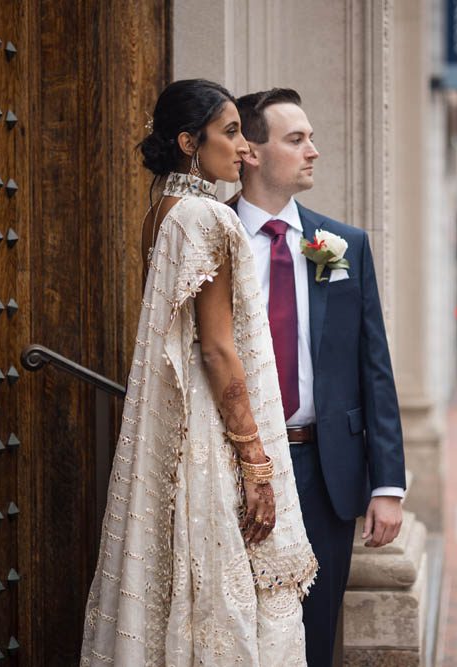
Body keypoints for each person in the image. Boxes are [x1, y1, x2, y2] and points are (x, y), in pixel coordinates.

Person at [79, 79, 317, 667]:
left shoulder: (159, 214)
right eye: (231, 133)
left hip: (175, 433)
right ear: (190, 143)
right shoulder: (207, 217)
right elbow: (215, 349)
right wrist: (255, 461)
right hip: (210, 432)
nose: (245, 149)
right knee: (223, 584)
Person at [233, 88, 407, 667]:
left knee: (315, 632)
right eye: (296, 139)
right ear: (251, 152)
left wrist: (387, 485)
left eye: (311, 137)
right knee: (237, 626)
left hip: (323, 470)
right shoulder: (214, 238)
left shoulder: (340, 245)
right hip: (236, 468)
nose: (313, 150)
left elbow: (374, 368)